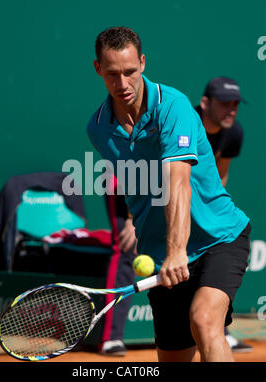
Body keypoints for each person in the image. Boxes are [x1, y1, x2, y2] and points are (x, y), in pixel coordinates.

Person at [87, 26, 250, 362]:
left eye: (130, 72)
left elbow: (177, 181)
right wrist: (137, 225)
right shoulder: (99, 127)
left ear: (143, 63)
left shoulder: (172, 106)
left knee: (205, 323)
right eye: (113, 74)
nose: (123, 84)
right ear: (98, 69)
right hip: (161, 257)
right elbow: (134, 183)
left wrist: (178, 251)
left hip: (217, 238)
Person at [195, 77, 252, 353]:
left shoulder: (233, 133)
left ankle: (221, 329)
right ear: (205, 103)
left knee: (217, 265)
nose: (231, 110)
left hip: (205, 214)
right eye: (224, 103)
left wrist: (211, 210)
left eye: (235, 104)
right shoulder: (183, 125)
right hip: (164, 204)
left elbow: (220, 174)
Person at [99, 189, 137, 356]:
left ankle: (214, 328)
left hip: (165, 179)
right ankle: (112, 337)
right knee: (126, 248)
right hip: (125, 181)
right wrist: (131, 218)